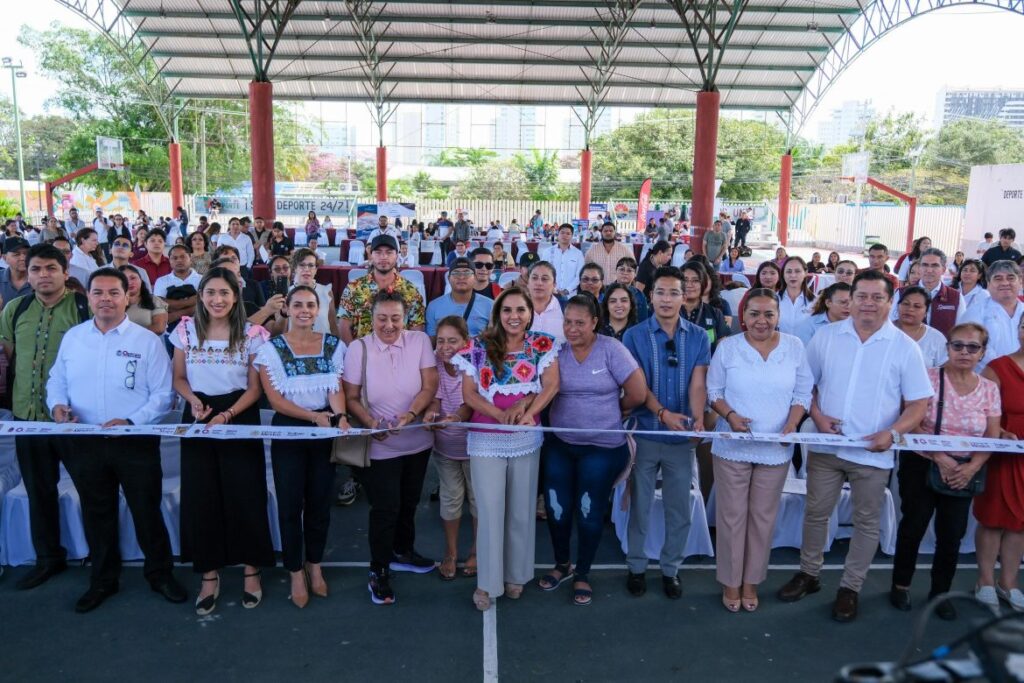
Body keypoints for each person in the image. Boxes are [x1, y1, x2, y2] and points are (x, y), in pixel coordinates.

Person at [778, 270, 932, 622]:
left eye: (877, 297)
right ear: (851, 299)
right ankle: (809, 574)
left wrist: (892, 433)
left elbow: (918, 404)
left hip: (873, 453)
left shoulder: (905, 347)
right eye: (861, 296)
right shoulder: (827, 337)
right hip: (826, 447)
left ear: (890, 302)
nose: (868, 303)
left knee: (866, 522)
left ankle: (850, 587)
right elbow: (805, 386)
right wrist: (817, 416)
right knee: (816, 513)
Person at [46, 267, 186, 613]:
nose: (105, 299)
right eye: (98, 292)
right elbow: (56, 379)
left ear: (128, 297)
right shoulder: (74, 338)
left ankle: (160, 574)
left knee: (146, 510)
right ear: (88, 297)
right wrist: (57, 405)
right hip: (86, 440)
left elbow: (163, 395)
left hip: (134, 441)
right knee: (97, 513)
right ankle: (103, 580)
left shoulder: (147, 341)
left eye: (113, 293)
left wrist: (131, 421)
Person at [170, 268, 274, 616]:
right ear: (201, 296)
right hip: (198, 416)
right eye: (211, 292)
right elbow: (179, 377)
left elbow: (255, 388)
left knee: (245, 493)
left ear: (236, 296)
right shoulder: (184, 330)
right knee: (202, 496)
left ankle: (251, 570)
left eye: (224, 293)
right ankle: (209, 574)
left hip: (238, 416)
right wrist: (193, 401)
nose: (217, 300)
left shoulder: (252, 334)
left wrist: (227, 415)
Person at [453, 287, 560, 610]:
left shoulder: (542, 344)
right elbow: (469, 394)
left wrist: (527, 412)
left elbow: (551, 385)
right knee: (489, 511)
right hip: (486, 439)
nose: (514, 316)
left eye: (520, 310)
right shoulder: (478, 346)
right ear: (498, 314)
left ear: (530, 314)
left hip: (526, 439)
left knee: (521, 510)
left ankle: (517, 575)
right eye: (507, 310)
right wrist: (500, 416)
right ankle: (487, 582)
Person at [707, 289, 812, 612]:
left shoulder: (794, 347)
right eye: (754, 314)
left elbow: (803, 393)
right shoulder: (728, 347)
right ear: (743, 316)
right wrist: (730, 416)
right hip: (732, 446)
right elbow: (714, 391)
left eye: (769, 314)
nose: (761, 321)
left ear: (778, 316)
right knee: (732, 517)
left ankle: (751, 582)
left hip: (775, 449)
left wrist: (792, 425)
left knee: (763, 519)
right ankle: (731, 582)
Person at [540, 294, 646, 606]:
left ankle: (583, 572)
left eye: (580, 323)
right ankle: (562, 564)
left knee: (588, 510)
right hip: (561, 443)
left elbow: (637, 393)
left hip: (603, 446)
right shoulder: (556, 351)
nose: (572, 329)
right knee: (556, 508)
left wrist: (612, 411)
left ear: (595, 322)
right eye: (567, 322)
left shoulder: (611, 349)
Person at [891, 322, 1000, 620]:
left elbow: (992, 435)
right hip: (922, 462)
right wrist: (939, 457)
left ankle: (941, 593)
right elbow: (911, 421)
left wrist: (972, 467)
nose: (964, 352)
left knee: (951, 535)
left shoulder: (989, 390)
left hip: (965, 470)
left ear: (983, 352)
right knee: (913, 526)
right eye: (958, 345)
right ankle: (900, 585)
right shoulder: (927, 378)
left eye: (973, 347)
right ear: (947, 348)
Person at [0, 244, 89, 590]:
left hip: (74, 419)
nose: (43, 275)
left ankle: (101, 560)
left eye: (51, 268)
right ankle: (49, 559)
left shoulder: (82, 307)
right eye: (36, 269)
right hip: (28, 417)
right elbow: (12, 355)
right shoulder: (15, 308)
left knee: (91, 489)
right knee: (39, 492)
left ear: (65, 272)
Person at [255, 286, 348, 609]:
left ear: (318, 309)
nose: (304, 310)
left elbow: (335, 388)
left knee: (321, 502)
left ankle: (315, 564)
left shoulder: (333, 345)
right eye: (298, 305)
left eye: (310, 305)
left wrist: (340, 416)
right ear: (288, 309)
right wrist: (314, 417)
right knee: (290, 504)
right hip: (289, 430)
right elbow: (276, 400)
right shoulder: (271, 349)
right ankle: (295, 570)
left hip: (323, 431)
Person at [343, 290, 439, 604]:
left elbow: (430, 385)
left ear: (405, 318)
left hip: (418, 442)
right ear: (370, 319)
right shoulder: (358, 348)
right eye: (382, 318)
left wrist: (410, 415)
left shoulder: (420, 341)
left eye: (395, 318)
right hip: (380, 445)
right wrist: (371, 423)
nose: (389, 325)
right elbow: (351, 397)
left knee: (409, 502)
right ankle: (379, 569)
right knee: (385, 508)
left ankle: (403, 551)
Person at [622, 266, 710, 600]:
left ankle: (671, 569)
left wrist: (697, 419)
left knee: (679, 508)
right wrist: (661, 414)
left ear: (684, 296)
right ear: (651, 296)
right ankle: (636, 567)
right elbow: (637, 386)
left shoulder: (699, 337)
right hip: (644, 434)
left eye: (674, 292)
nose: (667, 299)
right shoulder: (634, 336)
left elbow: (698, 383)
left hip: (680, 440)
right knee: (640, 506)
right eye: (660, 292)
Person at [976, 319, 1024, 613]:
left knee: (1021, 523)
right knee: (993, 518)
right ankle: (984, 581)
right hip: (1003, 455)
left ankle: (1009, 582)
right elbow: (980, 410)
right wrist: (1001, 433)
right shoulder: (997, 367)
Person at [426, 316, 477, 581]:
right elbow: (434, 398)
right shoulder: (434, 363)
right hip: (445, 447)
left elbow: (470, 403)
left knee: (477, 500)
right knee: (450, 499)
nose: (445, 347)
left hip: (475, 447)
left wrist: (455, 417)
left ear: (465, 342)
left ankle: (477, 550)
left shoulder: (475, 362)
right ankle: (451, 552)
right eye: (441, 340)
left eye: (452, 341)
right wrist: (433, 415)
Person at [337, 235, 425, 344]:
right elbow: (344, 325)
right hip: (363, 352)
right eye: (378, 252)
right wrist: (354, 351)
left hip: (400, 352)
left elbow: (416, 329)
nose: (383, 257)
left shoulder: (411, 291)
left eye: (389, 252)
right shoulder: (353, 288)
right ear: (371, 255)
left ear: (397, 256)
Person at [890, 248, 965, 336]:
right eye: (925, 265)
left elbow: (962, 331)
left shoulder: (956, 297)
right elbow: (891, 326)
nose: (929, 270)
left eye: (935, 266)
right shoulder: (901, 294)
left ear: (943, 269)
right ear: (920, 268)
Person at [964, 260, 1024, 368]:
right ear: (988, 284)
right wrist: (1005, 370)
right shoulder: (975, 312)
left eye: (1011, 278)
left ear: (1020, 282)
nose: (1005, 283)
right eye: (998, 278)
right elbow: (969, 346)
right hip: (987, 375)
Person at [426, 256, 494, 337]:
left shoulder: (490, 305)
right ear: (448, 279)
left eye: (467, 273)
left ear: (475, 278)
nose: (461, 277)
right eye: (456, 273)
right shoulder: (434, 306)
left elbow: (494, 338)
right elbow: (432, 340)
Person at [893, 286, 948, 368]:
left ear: (926, 312)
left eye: (917, 306)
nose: (910, 309)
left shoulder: (936, 338)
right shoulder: (882, 331)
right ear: (898, 306)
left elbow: (945, 371)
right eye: (906, 304)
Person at [680, 261, 729, 353]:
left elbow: (722, 350)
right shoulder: (670, 311)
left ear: (704, 284)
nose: (689, 285)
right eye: (685, 280)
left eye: (695, 280)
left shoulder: (715, 314)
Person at [291, 248, 340, 337]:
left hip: (323, 343)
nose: (306, 269)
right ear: (295, 268)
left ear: (316, 269)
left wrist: (338, 343)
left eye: (311, 265)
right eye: (302, 265)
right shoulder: (287, 293)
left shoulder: (326, 292)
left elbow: (333, 324)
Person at [154, 245, 201, 330]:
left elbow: (205, 304)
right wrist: (191, 304)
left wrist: (173, 310)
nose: (179, 260)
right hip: (169, 331)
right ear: (169, 261)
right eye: (174, 258)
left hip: (199, 328)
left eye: (182, 257)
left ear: (190, 258)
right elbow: (159, 305)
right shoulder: (161, 281)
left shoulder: (202, 279)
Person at [794, 282, 852, 347]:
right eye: (843, 302)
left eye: (852, 302)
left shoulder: (857, 325)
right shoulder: (809, 325)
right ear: (828, 303)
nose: (849, 306)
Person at [119, 264, 168, 336]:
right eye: (124, 280)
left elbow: (159, 328)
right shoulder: (114, 303)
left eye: (133, 278)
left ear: (141, 280)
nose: (129, 282)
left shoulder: (154, 300)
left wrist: (129, 335)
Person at [527, 260, 565, 343]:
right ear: (528, 283)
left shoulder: (565, 308)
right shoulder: (518, 308)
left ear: (554, 284)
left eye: (544, 279)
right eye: (534, 278)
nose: (539, 283)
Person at [543, 223, 585, 296]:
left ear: (572, 236)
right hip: (550, 294)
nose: (565, 235)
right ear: (558, 234)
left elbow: (579, 275)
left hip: (571, 295)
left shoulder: (578, 254)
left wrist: (567, 290)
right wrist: (553, 289)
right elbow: (543, 272)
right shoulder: (547, 252)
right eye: (562, 233)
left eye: (568, 233)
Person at [778, 256, 813, 335]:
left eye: (797, 271)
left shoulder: (816, 302)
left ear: (805, 273)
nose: (793, 275)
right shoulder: (774, 300)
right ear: (783, 274)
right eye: (789, 271)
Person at [614, 257, 650, 321]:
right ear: (616, 271)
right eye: (622, 269)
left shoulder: (639, 295)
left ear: (635, 274)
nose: (625, 273)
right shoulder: (606, 292)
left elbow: (643, 321)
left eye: (629, 270)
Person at [0, 237, 32, 304]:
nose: (23, 258)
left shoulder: (39, 278)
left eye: (26, 253)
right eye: (16, 254)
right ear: (5, 258)